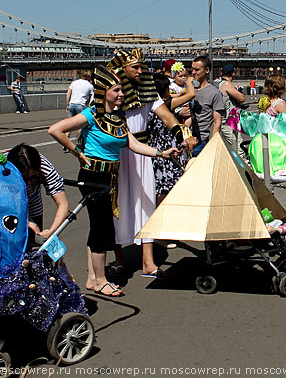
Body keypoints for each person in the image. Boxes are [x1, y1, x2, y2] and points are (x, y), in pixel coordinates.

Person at [47, 68, 180, 296]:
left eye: (121, 90)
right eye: (116, 90)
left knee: (99, 228)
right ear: (103, 92)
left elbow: (134, 145)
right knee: (102, 229)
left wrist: (162, 153)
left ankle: (92, 278)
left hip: (110, 177)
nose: (121, 94)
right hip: (93, 177)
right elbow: (55, 129)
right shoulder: (91, 114)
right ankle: (100, 280)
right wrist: (77, 152)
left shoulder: (118, 117)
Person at [107, 49, 196, 278]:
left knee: (147, 204)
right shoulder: (111, 93)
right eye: (134, 67)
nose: (140, 71)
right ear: (121, 70)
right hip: (117, 153)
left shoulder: (149, 92)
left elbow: (168, 117)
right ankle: (118, 257)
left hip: (144, 154)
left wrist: (183, 136)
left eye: (141, 67)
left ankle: (148, 261)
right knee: (117, 206)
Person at [7, 143, 69, 249]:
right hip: (8, 205)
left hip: (33, 202)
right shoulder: (3, 170)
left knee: (35, 242)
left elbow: (63, 204)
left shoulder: (46, 168)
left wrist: (51, 231)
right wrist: (26, 221)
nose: (28, 182)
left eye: (33, 177)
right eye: (25, 179)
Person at [149, 73, 196, 206]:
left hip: (155, 146)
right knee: (168, 183)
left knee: (158, 183)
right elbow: (191, 94)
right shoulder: (165, 104)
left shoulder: (149, 104)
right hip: (169, 145)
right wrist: (189, 82)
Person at [190, 55, 225, 157]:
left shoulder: (214, 93)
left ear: (207, 70)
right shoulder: (190, 90)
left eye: (197, 70)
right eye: (192, 69)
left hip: (202, 141)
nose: (193, 72)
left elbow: (217, 122)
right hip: (186, 139)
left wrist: (212, 145)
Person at [218, 64, 246, 148]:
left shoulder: (218, 83)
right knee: (238, 146)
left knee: (229, 146)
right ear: (233, 74)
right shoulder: (226, 84)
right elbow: (241, 98)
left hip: (222, 119)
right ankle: (241, 161)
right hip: (228, 121)